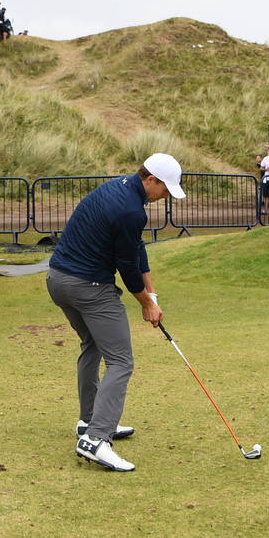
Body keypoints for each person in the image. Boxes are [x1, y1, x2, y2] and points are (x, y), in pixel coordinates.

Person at [46, 153, 186, 472]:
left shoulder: (119, 189)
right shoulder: (129, 210)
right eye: (164, 189)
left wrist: (152, 292)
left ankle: (90, 421)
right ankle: (97, 439)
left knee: (92, 346)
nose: (165, 196)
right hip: (89, 287)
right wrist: (147, 305)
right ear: (150, 179)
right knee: (121, 360)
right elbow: (126, 266)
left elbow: (135, 248)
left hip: (57, 280)